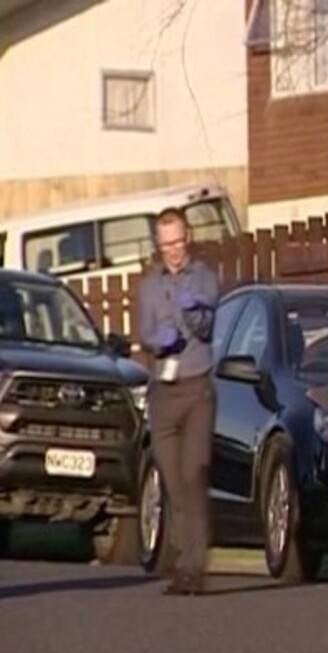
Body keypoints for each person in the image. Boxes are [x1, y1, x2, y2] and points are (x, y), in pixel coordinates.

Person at [138, 208, 219, 596]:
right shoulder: (149, 286)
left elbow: (207, 325)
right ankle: (183, 557)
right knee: (172, 480)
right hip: (163, 392)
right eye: (166, 244)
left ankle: (194, 567)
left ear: (188, 237)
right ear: (158, 244)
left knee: (193, 474)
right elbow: (145, 333)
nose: (173, 250)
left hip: (196, 387)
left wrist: (194, 313)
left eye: (179, 241)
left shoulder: (203, 277)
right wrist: (158, 339)